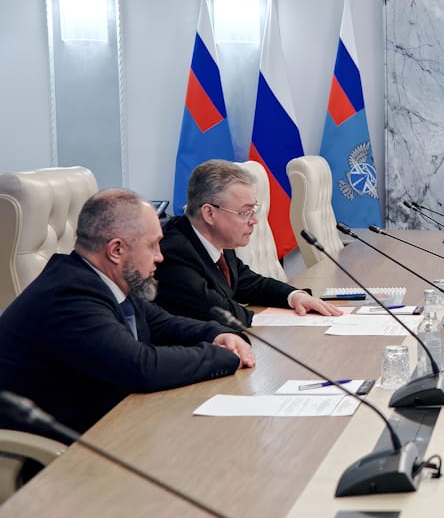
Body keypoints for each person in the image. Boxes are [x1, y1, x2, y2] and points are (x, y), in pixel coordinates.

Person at [0, 189, 254, 439]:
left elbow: (164, 324)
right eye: (152, 245)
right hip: (51, 453)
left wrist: (220, 334)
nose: (160, 256)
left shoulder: (104, 281)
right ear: (116, 250)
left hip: (106, 427)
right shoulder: (69, 295)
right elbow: (140, 367)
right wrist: (223, 355)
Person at [155, 160, 342, 326]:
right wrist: (277, 322)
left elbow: (250, 284)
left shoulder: (218, 240)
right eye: (245, 212)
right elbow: (218, 312)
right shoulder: (174, 253)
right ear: (210, 213)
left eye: (253, 211)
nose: (254, 220)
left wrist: (295, 296)